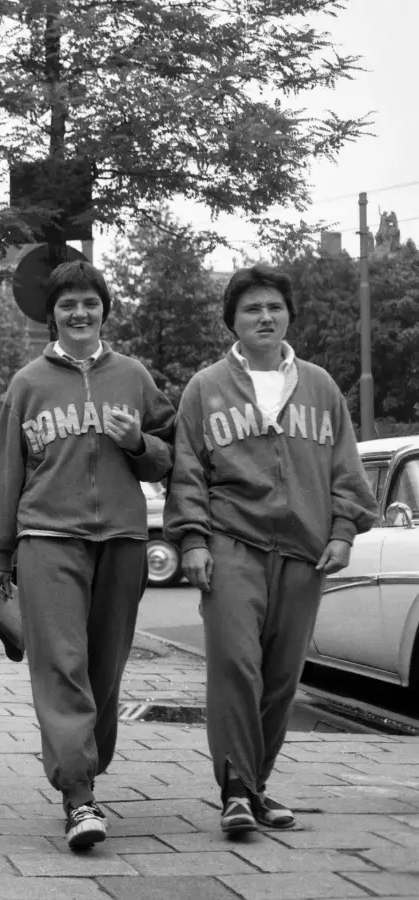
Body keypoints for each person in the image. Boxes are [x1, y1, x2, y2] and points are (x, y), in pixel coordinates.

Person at [166, 266, 377, 835]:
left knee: (283, 675)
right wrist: (192, 538)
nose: (265, 317)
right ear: (232, 321)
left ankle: (255, 786)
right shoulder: (205, 387)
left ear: (288, 316)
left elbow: (345, 469)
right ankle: (235, 787)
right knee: (236, 665)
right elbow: (187, 471)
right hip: (233, 541)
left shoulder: (320, 385)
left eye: (274, 308)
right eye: (252, 309)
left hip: (305, 550)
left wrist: (342, 532)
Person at [0, 261, 176, 850]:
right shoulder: (28, 384)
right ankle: (78, 795)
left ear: (103, 310)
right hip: (48, 539)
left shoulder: (134, 377)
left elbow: (168, 457)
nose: (79, 313)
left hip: (121, 539)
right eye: (67, 304)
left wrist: (137, 442)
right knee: (61, 665)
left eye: (89, 302)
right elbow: (6, 472)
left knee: (105, 671)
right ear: (52, 316)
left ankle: (87, 769)